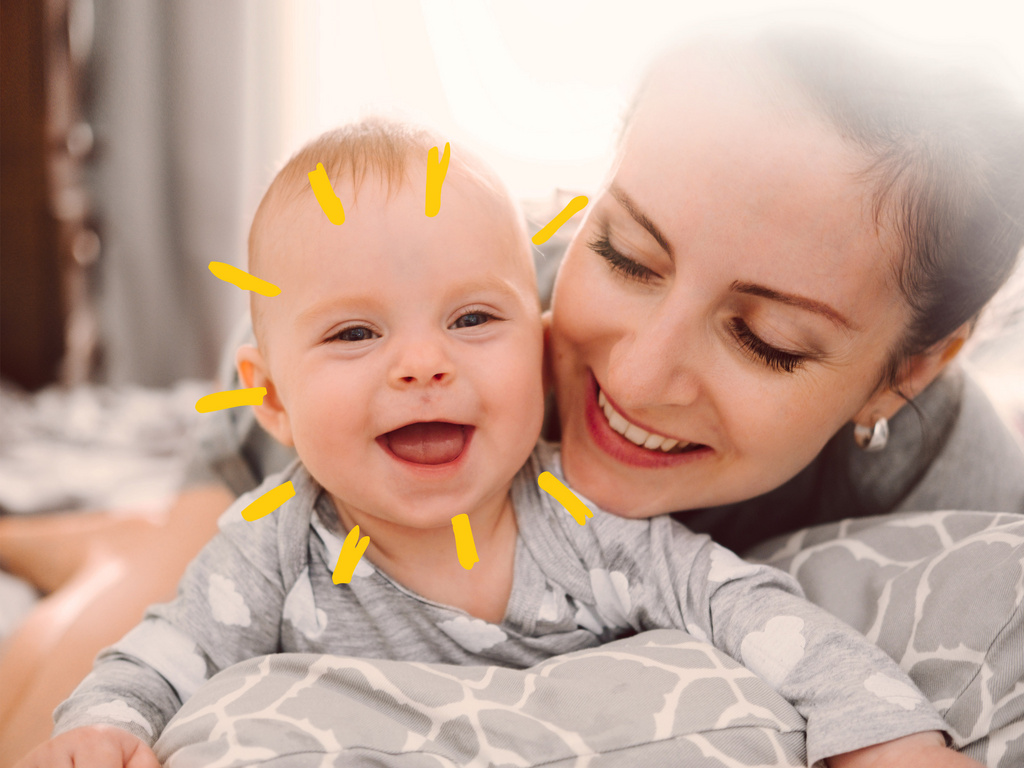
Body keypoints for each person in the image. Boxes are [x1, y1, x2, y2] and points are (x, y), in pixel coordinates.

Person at [2, 24, 1023, 764]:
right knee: (102, 634)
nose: (629, 373)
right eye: (624, 252)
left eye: (765, 339)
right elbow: (310, 312)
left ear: (910, 366)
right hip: (293, 454)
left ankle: (95, 534)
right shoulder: (469, 334)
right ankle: (106, 541)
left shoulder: (959, 485)